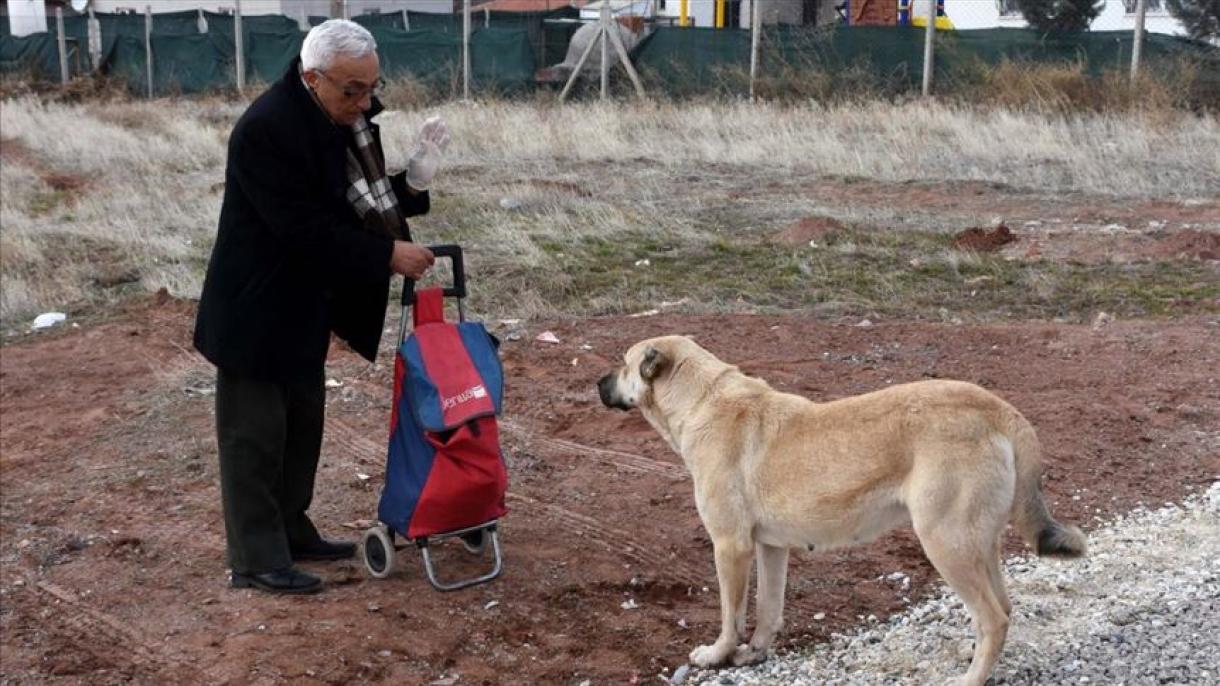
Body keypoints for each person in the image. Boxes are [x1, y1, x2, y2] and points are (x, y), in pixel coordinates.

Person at [193, 19, 449, 594]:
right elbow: (305, 228)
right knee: (255, 436)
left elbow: (359, 199)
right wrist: (387, 254)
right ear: (312, 78)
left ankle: (291, 527)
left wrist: (412, 182)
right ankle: (256, 557)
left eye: (371, 87)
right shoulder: (267, 130)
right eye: (351, 90)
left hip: (304, 303)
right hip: (255, 308)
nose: (364, 102)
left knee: (300, 428)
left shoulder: (343, 121)